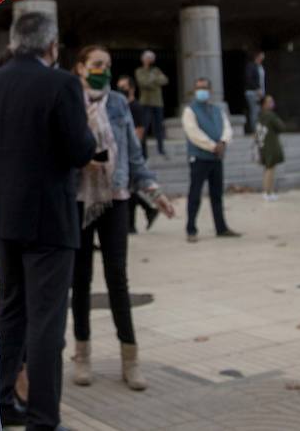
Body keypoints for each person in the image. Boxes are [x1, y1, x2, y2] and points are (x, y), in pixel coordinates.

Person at [0, 12, 95, 431]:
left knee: (10, 313)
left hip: (3, 217)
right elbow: (79, 149)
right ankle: (43, 417)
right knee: (46, 321)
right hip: (49, 221)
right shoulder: (61, 84)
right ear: (52, 46)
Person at [69, 46, 176, 393]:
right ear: (81, 68)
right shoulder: (67, 100)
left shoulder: (117, 103)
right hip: (78, 199)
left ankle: (130, 358)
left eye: (108, 66)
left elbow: (132, 151)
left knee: (118, 278)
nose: (103, 70)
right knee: (80, 279)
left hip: (114, 199)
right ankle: (82, 353)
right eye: (97, 64)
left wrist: (154, 192)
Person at [182, 77, 241, 241]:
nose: (202, 91)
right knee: (195, 194)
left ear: (210, 90)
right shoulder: (190, 110)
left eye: (205, 88)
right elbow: (193, 133)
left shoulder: (217, 110)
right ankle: (191, 229)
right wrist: (212, 146)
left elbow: (227, 128)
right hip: (199, 158)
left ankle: (221, 228)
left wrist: (223, 142)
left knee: (217, 195)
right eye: (199, 88)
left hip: (216, 158)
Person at [134, 51, 169, 158]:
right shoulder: (139, 71)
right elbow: (143, 83)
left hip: (158, 102)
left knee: (159, 127)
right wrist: (154, 79)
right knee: (144, 127)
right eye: (148, 58)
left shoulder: (156, 70)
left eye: (151, 58)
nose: (150, 60)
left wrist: (151, 80)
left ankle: (161, 149)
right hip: (145, 102)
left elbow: (165, 80)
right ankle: (142, 150)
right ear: (143, 59)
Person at [257, 94, 286, 200]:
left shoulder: (260, 115)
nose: (272, 103)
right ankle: (267, 192)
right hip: (270, 145)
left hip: (263, 144)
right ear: (264, 104)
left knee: (268, 168)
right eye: (269, 101)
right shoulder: (270, 115)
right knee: (270, 169)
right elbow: (281, 127)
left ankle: (268, 191)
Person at [244, 50, 266, 136]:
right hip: (253, 92)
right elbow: (249, 79)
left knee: (258, 111)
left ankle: (259, 128)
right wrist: (257, 88)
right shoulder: (251, 66)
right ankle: (254, 129)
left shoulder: (260, 66)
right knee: (254, 110)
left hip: (260, 92)